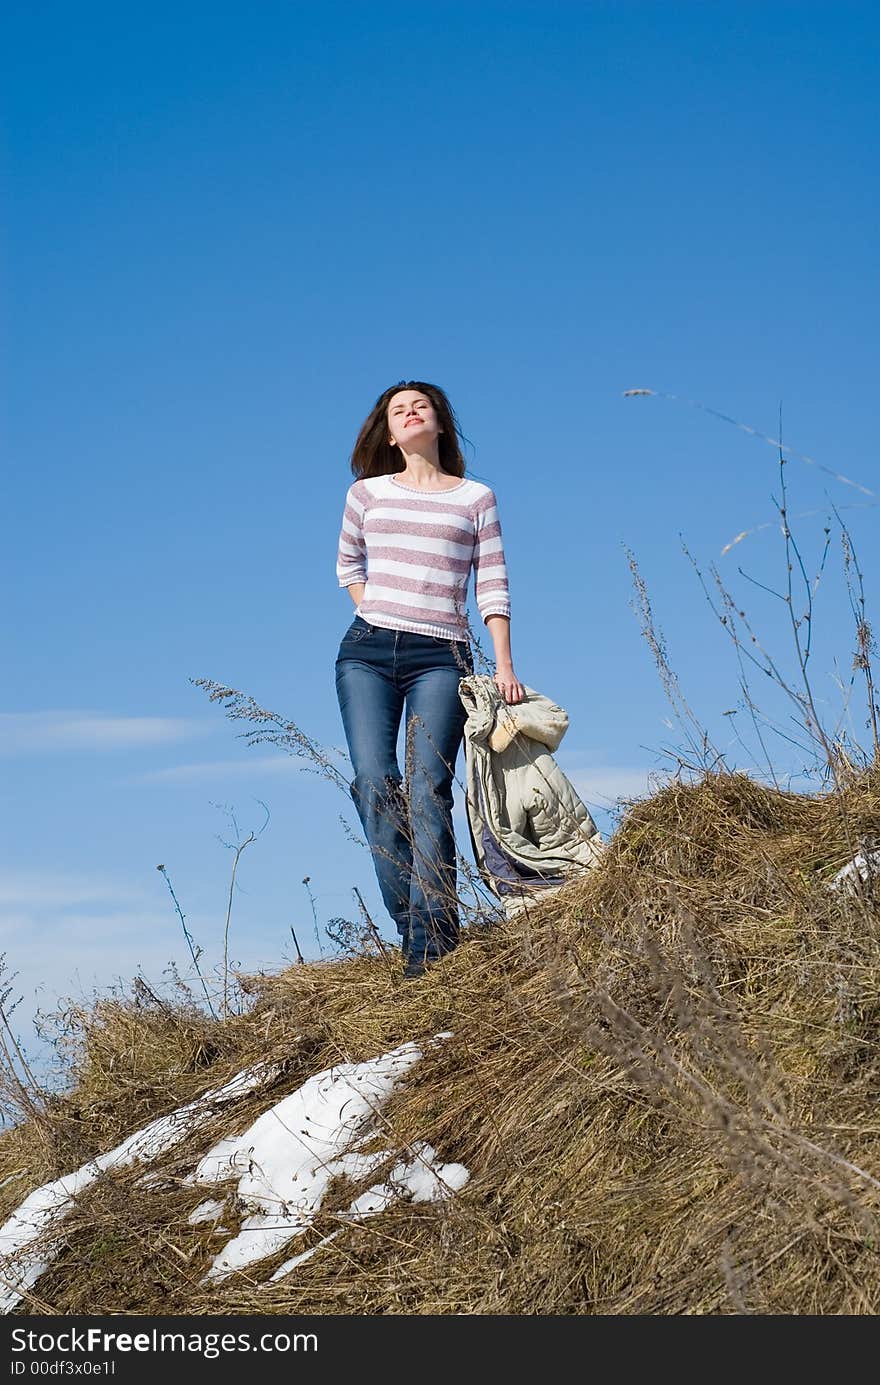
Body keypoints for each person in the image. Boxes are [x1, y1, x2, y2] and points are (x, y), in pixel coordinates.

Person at [334, 380, 524, 978]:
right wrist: (378, 612)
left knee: (427, 790)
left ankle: (431, 947)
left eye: (422, 405)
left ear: (439, 423)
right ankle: (410, 917)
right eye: (399, 409)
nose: (412, 413)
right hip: (366, 651)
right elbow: (348, 565)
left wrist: (506, 665)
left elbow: (492, 582)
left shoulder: (475, 498)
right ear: (390, 433)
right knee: (372, 781)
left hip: (443, 655)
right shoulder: (365, 494)